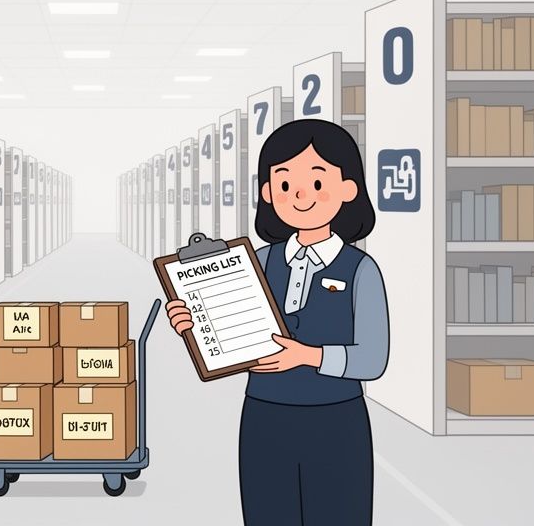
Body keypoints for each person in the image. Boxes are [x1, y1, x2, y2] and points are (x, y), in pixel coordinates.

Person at [166, 119, 389, 526]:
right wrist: (193, 324)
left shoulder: (361, 269)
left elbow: (373, 359)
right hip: (264, 417)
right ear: (268, 192)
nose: (301, 195)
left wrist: (307, 356)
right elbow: (233, 333)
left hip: (335, 421)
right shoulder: (258, 262)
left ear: (348, 189)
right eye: (285, 184)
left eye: (317, 182)